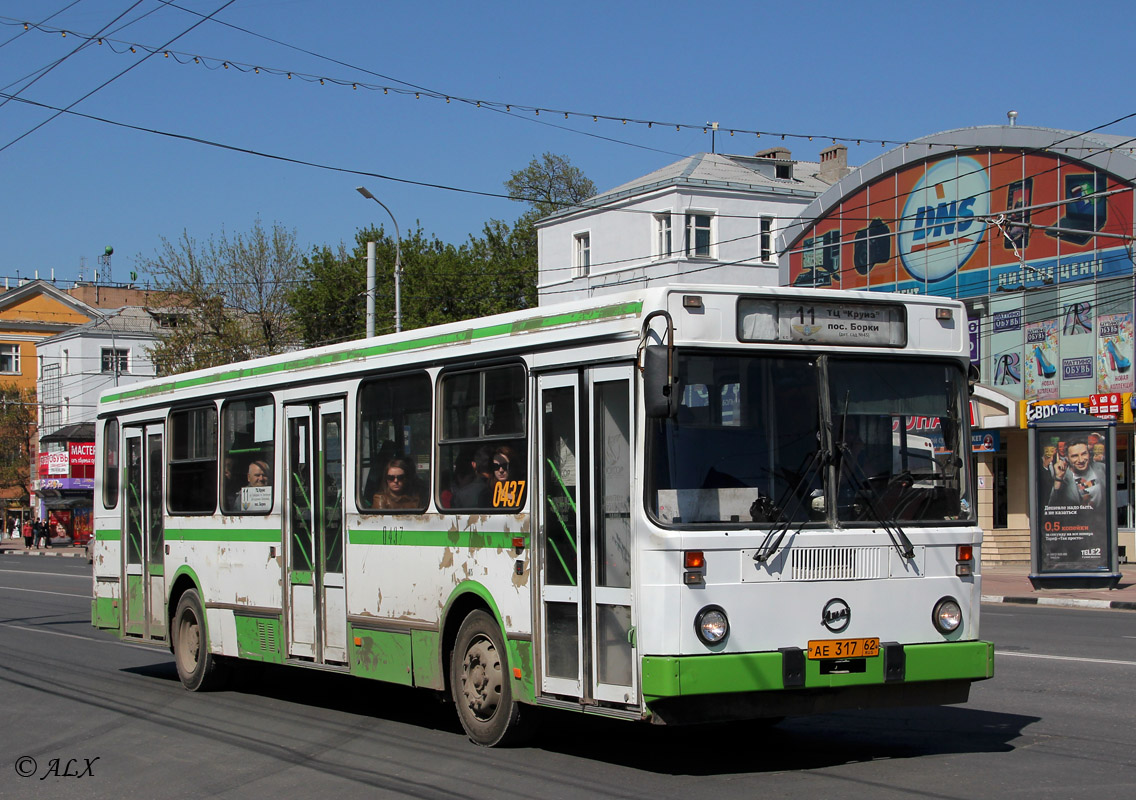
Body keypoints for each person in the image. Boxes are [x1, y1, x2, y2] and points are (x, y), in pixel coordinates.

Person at [1050, 437, 1107, 508]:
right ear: (1067, 458)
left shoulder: (1102, 468)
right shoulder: (1062, 477)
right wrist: (1059, 478)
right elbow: (1052, 507)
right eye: (1075, 456)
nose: (1081, 460)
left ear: (1089, 454)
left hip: (1100, 518)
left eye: (1084, 454)